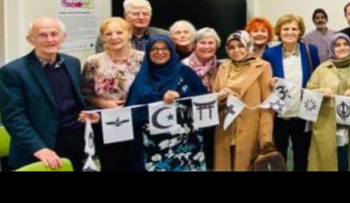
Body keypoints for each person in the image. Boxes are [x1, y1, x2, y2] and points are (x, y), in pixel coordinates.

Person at [0, 17, 99, 170]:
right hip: (38, 146)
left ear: (63, 37)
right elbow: (13, 117)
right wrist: (38, 148)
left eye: (54, 34)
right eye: (42, 35)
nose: (50, 39)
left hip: (75, 141)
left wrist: (92, 113)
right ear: (30, 39)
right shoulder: (13, 71)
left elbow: (80, 99)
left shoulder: (73, 63)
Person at [125, 36, 208, 171]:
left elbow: (204, 98)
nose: (159, 52)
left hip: (186, 142)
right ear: (148, 51)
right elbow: (130, 107)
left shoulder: (184, 71)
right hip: (152, 143)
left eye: (164, 48)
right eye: (154, 49)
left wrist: (181, 95)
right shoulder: (142, 75)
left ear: (171, 50)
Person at [82, 16, 144, 171]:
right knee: (112, 164)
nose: (114, 37)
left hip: (139, 121)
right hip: (107, 122)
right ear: (103, 37)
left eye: (119, 32)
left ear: (129, 34)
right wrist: (104, 104)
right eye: (108, 34)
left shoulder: (143, 59)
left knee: (138, 163)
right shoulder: (93, 62)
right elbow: (85, 93)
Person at [262, 14, 320, 171]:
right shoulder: (269, 53)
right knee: (279, 156)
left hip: (302, 114)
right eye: (286, 29)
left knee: (302, 156)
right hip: (279, 115)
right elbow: (264, 80)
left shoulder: (310, 50)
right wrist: (270, 82)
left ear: (300, 32)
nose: (290, 32)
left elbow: (317, 77)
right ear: (279, 32)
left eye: (294, 29)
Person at [212, 31, 275, 171]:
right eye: (231, 47)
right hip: (225, 130)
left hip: (250, 130)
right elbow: (213, 97)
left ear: (248, 46)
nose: (236, 51)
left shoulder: (263, 66)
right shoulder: (222, 67)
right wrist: (220, 97)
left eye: (240, 46)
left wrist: (265, 137)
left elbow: (267, 104)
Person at [305, 33, 350, 171]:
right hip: (327, 123)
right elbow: (308, 91)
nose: (342, 48)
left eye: (345, 44)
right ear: (331, 48)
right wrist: (321, 91)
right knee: (328, 162)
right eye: (337, 45)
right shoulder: (322, 69)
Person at [182, 27, 221, 169]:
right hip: (190, 120)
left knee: (213, 157)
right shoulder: (183, 66)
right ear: (195, 44)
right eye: (202, 43)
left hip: (216, 118)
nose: (207, 47)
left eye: (211, 43)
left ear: (216, 45)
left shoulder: (221, 65)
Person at [95, 0, 169, 53]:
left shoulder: (165, 35)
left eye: (145, 14)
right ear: (125, 15)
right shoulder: (110, 37)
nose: (141, 17)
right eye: (135, 14)